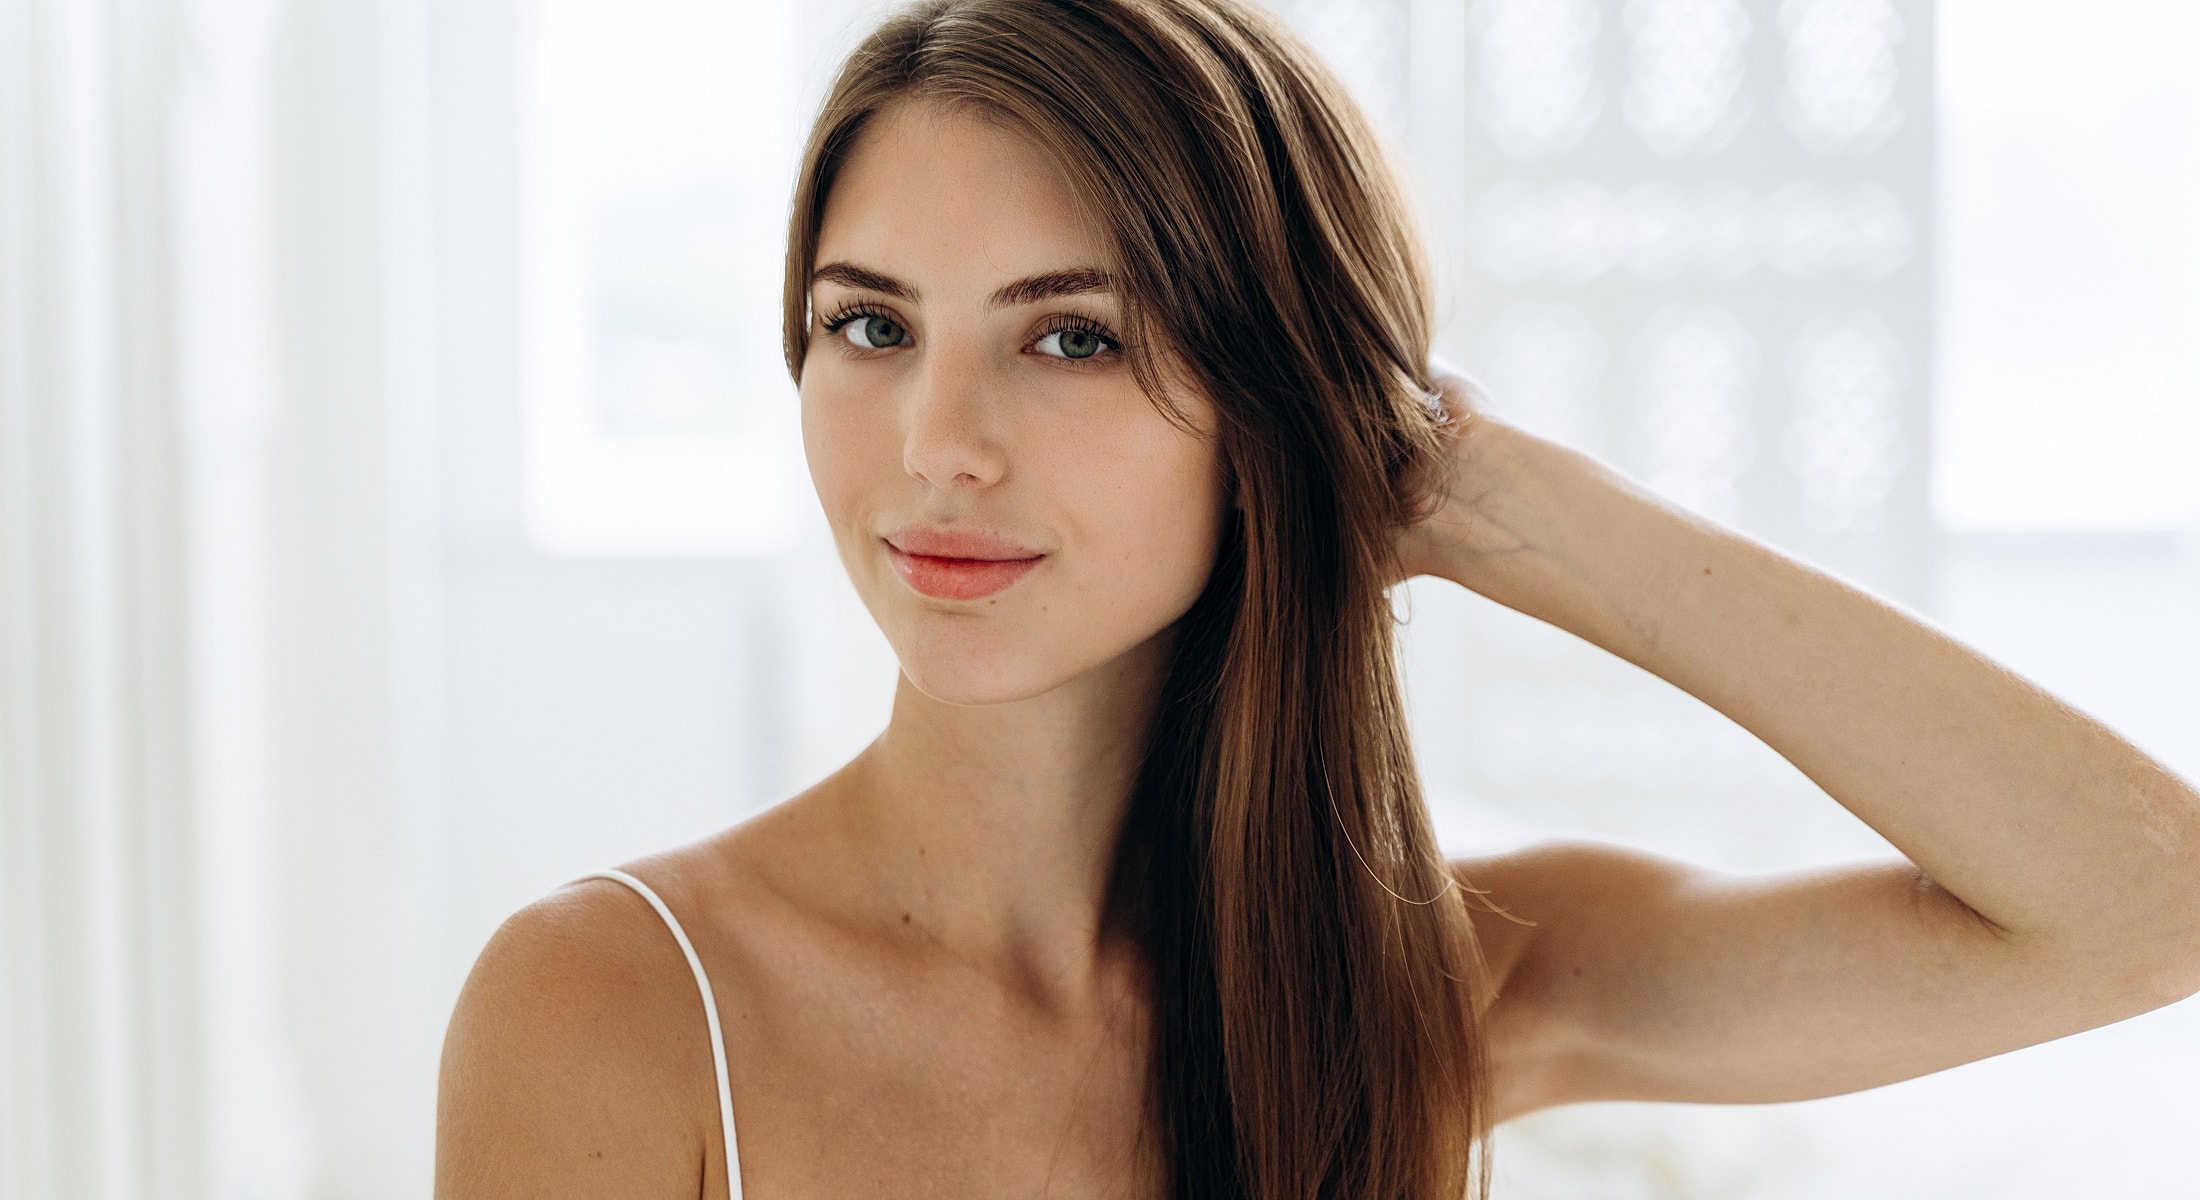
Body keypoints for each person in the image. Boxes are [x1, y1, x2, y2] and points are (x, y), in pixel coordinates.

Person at [433, 1, 2200, 1196]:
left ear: (1279, 403)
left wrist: (1491, 500)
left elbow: (2145, 904)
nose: (938, 443)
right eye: (869, 325)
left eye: (1072, 336)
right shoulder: (615, 1004)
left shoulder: (1433, 992)